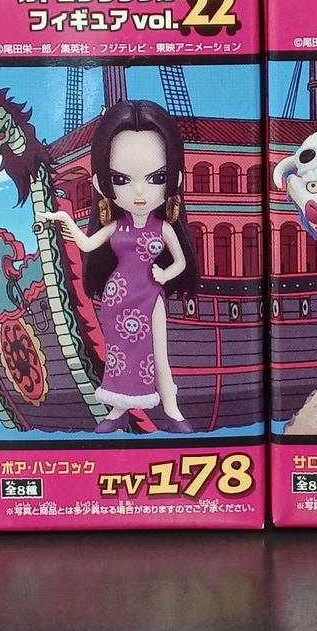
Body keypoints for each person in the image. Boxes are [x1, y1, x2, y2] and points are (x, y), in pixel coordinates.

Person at [41, 100, 200, 434]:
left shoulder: (163, 228)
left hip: (150, 295)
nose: (139, 192)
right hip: (117, 297)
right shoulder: (117, 227)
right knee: (118, 353)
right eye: (121, 179)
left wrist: (165, 274)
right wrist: (64, 219)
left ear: (175, 179)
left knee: (158, 351)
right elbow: (87, 245)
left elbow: (181, 261)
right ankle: (118, 408)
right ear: (102, 184)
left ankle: (171, 407)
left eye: (157, 177)